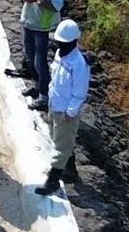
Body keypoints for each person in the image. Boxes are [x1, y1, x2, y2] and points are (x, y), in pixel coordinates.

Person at [36, 20, 89, 199]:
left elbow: (79, 93)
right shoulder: (60, 54)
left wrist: (70, 112)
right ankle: (70, 169)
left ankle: (52, 181)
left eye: (63, 43)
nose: (59, 45)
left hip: (66, 112)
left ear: (73, 42)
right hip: (54, 106)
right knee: (60, 140)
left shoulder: (79, 64)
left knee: (61, 147)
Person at [18, 0, 68, 108]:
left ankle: (44, 97)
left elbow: (56, 6)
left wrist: (37, 1)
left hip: (41, 27)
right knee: (30, 59)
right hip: (29, 22)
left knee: (40, 62)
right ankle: (37, 87)